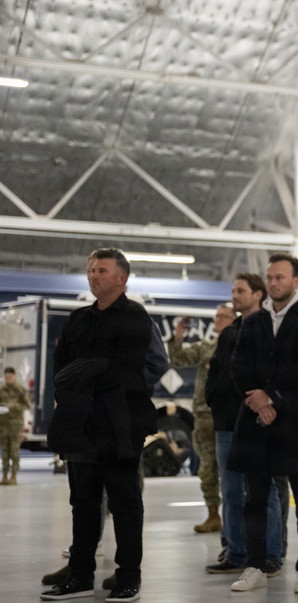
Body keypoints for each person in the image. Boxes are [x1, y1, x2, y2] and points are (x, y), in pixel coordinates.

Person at [41, 248, 156, 603]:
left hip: (121, 424)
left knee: (124, 502)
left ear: (122, 278)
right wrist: (89, 369)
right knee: (84, 502)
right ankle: (80, 576)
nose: (93, 275)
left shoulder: (136, 318)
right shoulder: (78, 320)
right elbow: (62, 368)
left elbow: (124, 368)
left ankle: (128, 577)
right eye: (90, 270)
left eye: (102, 270)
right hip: (82, 423)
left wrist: (84, 371)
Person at [228, 253, 298, 594]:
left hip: (295, 422)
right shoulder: (253, 322)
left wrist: (270, 397)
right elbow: (239, 363)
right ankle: (255, 564)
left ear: (296, 281)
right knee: (254, 496)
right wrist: (255, 399)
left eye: (280, 278)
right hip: (256, 420)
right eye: (270, 278)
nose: (273, 283)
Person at [204, 273, 285, 576]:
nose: (234, 295)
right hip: (226, 421)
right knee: (232, 491)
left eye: (241, 291)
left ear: (258, 295)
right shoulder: (230, 332)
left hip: (259, 421)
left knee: (265, 491)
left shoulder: (272, 329)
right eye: (233, 290)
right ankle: (236, 553)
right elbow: (217, 375)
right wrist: (213, 399)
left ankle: (270, 555)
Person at [168, 303, 235, 533]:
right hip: (205, 416)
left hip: (229, 416)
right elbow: (178, 359)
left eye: (225, 317)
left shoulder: (239, 345)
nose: (219, 320)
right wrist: (178, 336)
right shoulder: (207, 347)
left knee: (232, 471)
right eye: (217, 316)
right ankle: (213, 514)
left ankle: (234, 517)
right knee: (207, 468)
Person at [0, 366, 32, 485]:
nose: (8, 379)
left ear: (14, 377)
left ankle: (13, 476)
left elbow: (27, 405)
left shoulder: (21, 389)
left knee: (14, 452)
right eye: (6, 377)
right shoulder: (1, 389)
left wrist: (15, 406)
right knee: (4, 452)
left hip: (15, 426)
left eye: (10, 377)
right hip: (3, 425)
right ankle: (4, 476)